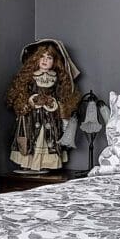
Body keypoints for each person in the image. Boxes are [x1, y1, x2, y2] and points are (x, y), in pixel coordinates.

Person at [7, 41, 80, 173]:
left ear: (55, 61)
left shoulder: (56, 79)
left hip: (50, 117)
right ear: (36, 58)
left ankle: (45, 163)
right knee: (31, 137)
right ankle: (28, 163)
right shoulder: (30, 77)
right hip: (32, 117)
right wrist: (30, 101)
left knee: (47, 138)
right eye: (42, 56)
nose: (45, 60)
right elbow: (21, 95)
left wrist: (54, 104)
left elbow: (62, 97)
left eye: (49, 58)